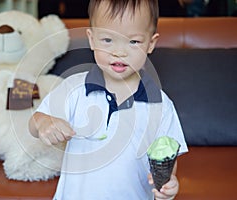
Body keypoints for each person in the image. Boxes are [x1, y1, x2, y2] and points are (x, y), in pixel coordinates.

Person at [29, 0, 188, 199]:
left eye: (133, 42)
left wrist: (169, 183)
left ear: (151, 43)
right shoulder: (74, 88)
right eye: (107, 40)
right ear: (92, 39)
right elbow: (34, 123)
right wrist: (44, 122)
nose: (119, 52)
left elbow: (168, 155)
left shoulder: (161, 105)